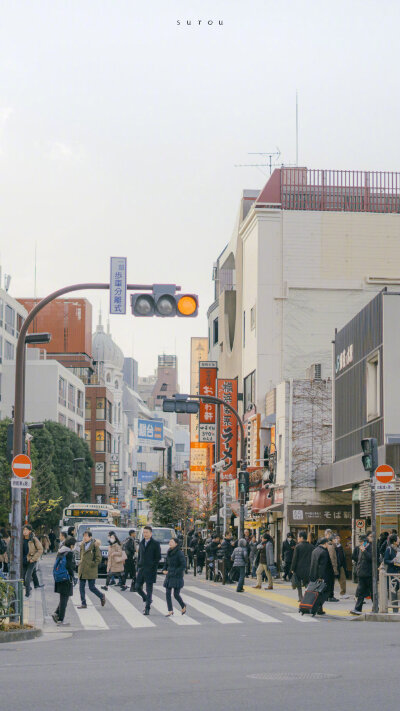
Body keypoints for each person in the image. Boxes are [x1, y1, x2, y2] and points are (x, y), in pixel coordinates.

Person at [135, 525, 161, 615]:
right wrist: (138, 568)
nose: (145, 534)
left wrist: (153, 566)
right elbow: (139, 556)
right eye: (144, 533)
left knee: (149, 589)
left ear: (151, 533)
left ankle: (147, 608)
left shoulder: (155, 544)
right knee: (137, 587)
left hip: (151, 570)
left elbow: (158, 558)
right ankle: (147, 599)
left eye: (146, 532)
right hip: (142, 569)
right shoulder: (141, 543)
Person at [77, 530, 105, 609]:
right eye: (84, 536)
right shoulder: (82, 545)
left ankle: (101, 596)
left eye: (86, 536)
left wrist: (92, 564)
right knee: (81, 587)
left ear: (90, 537)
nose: (85, 538)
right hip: (82, 568)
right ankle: (83, 603)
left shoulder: (95, 546)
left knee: (91, 587)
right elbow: (81, 556)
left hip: (91, 569)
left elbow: (99, 558)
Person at [52, 536, 76, 626]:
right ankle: (60, 620)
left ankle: (56, 613)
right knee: (64, 599)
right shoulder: (69, 553)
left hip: (59, 577)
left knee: (63, 598)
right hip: (66, 578)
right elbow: (69, 566)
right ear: (71, 545)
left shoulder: (60, 551)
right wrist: (73, 576)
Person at [309, 537, 334, 615]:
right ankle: (316, 608)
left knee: (317, 592)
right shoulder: (324, 552)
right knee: (323, 593)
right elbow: (322, 566)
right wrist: (321, 577)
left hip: (314, 575)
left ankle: (318, 609)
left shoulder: (315, 550)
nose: (328, 545)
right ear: (325, 543)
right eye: (327, 543)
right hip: (323, 576)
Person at [163, 537, 187, 616]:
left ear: (176, 544)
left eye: (172, 542)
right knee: (167, 593)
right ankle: (170, 610)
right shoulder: (169, 551)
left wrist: (175, 572)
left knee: (176, 594)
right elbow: (166, 562)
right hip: (169, 575)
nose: (170, 543)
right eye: (169, 541)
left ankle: (183, 605)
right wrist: (164, 569)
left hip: (177, 576)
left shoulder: (179, 553)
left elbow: (183, 565)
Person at [350, 533, 373, 615]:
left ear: (365, 542)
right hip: (361, 573)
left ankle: (375, 608)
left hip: (369, 574)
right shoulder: (360, 548)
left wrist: (365, 551)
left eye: (361, 542)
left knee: (372, 591)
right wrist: (357, 571)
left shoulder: (370, 548)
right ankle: (357, 608)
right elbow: (358, 560)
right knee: (360, 592)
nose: (360, 543)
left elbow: (371, 558)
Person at [291, 531, 313, 601]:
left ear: (301, 538)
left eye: (298, 537)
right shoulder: (312, 546)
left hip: (299, 569)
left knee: (299, 584)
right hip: (309, 568)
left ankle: (300, 597)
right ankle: (307, 597)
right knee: (307, 583)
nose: (297, 538)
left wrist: (292, 568)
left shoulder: (298, 547)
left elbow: (294, 559)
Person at [22, 524, 43, 597]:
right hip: (23, 561)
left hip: (32, 561)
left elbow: (40, 549)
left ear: (30, 531)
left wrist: (33, 559)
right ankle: (29, 588)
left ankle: (27, 594)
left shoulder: (34, 539)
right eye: (24, 530)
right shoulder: (21, 539)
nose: (24, 531)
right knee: (23, 578)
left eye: (26, 530)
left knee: (27, 577)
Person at [383, 533, 400, 613]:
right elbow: (385, 560)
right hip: (392, 573)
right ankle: (395, 609)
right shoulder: (389, 549)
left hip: (398, 572)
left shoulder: (398, 549)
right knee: (394, 591)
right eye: (398, 538)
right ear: (394, 541)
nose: (399, 540)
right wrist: (393, 562)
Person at [334, 534, 349, 599]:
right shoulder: (331, 546)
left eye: (338, 538)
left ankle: (343, 593)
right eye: (336, 538)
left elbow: (343, 556)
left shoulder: (341, 546)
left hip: (341, 565)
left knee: (342, 579)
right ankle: (330, 594)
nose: (337, 539)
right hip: (334, 565)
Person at [325, 534, 339, 601]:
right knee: (330, 583)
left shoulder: (331, 546)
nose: (336, 540)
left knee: (329, 583)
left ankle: (328, 596)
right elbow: (332, 559)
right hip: (331, 568)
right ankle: (330, 596)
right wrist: (335, 569)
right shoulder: (331, 547)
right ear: (332, 540)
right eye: (335, 539)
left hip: (329, 568)